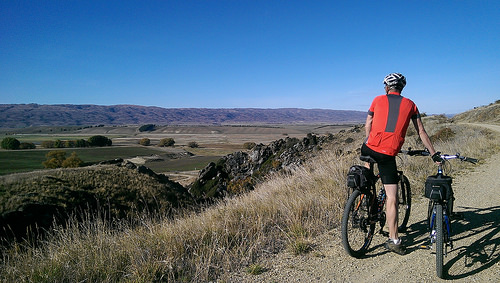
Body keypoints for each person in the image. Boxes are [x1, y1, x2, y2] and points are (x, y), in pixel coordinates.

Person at [361, 73, 443, 255]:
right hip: (387, 153)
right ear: (402, 88)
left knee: (368, 170)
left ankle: (366, 195)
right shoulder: (411, 105)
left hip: (367, 147)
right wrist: (433, 153)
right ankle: (394, 240)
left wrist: (369, 140)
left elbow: (368, 123)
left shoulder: (377, 100)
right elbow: (421, 131)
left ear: (387, 87)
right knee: (392, 197)